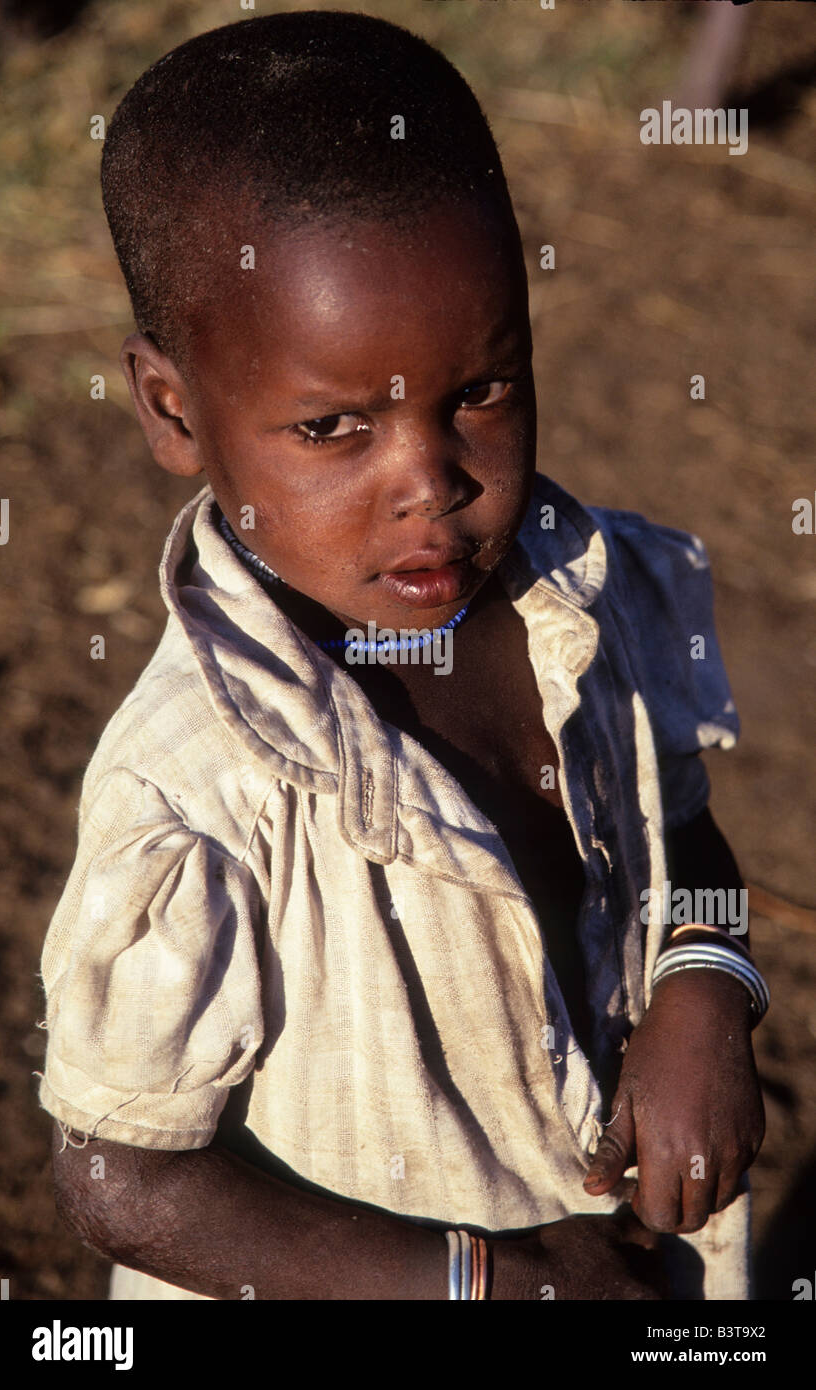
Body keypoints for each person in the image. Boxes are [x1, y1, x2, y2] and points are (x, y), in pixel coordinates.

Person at [40, 11, 766, 1301]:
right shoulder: (195, 792)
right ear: (171, 409)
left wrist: (705, 979)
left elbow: (680, 830)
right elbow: (122, 1177)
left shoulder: (583, 596)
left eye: (480, 391)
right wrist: (484, 1285)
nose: (430, 486)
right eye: (330, 426)